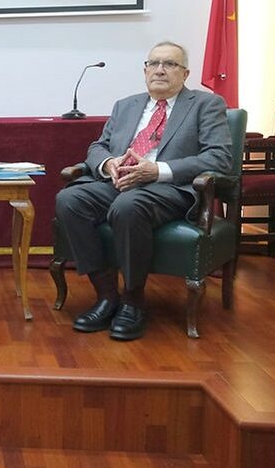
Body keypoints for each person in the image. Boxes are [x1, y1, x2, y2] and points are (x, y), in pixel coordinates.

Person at [55, 41, 232, 341]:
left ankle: (133, 301)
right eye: (154, 63)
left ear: (185, 73)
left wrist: (158, 170)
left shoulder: (206, 105)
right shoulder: (126, 105)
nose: (160, 70)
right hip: (119, 181)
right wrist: (109, 163)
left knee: (128, 206)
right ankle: (107, 296)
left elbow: (220, 158)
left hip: (168, 187)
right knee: (69, 199)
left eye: (170, 64)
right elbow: (98, 146)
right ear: (145, 70)